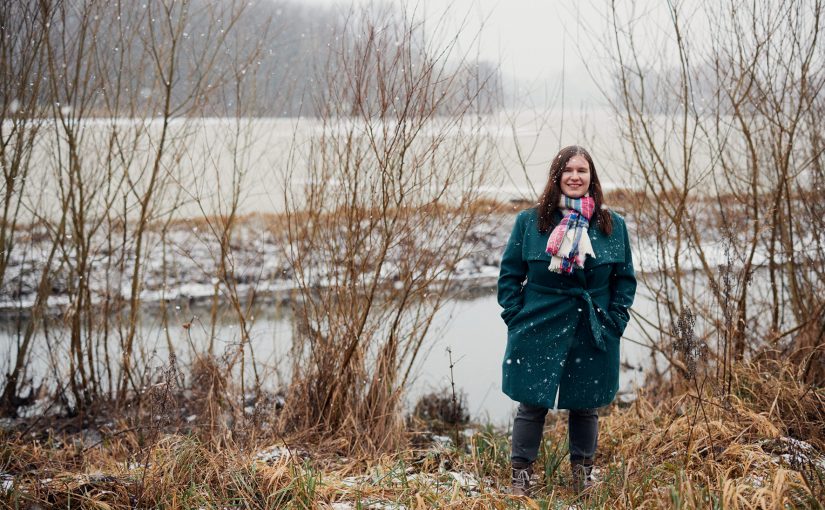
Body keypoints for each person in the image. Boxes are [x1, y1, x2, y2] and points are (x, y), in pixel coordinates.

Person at [497, 145, 636, 496]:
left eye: (582, 171)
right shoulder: (531, 221)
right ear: (557, 177)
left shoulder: (612, 225)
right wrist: (516, 317)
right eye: (568, 170)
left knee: (585, 406)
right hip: (538, 323)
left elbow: (625, 280)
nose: (575, 177)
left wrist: (615, 320)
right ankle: (521, 477)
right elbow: (509, 276)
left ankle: (582, 476)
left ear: (592, 178)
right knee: (531, 404)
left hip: (592, 325)